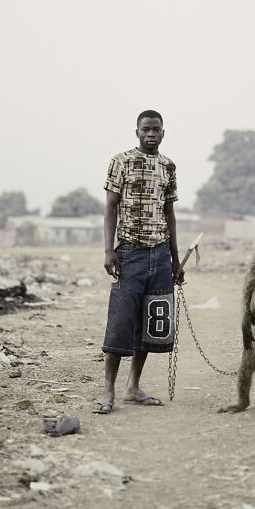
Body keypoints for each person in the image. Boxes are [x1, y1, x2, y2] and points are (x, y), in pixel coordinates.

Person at [94, 110, 183, 414]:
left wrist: (175, 259)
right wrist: (109, 250)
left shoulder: (168, 166)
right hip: (129, 252)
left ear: (163, 132)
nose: (151, 135)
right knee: (120, 322)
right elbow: (110, 207)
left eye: (156, 130)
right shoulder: (121, 161)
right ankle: (108, 390)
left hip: (159, 256)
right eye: (145, 130)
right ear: (136, 132)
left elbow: (169, 214)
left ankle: (133, 387)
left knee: (150, 323)